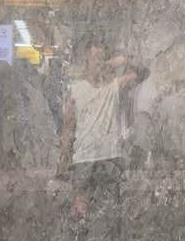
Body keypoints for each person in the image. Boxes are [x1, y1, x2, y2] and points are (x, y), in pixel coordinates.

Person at [59, 34, 148, 218]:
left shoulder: (113, 86)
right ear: (86, 59)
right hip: (83, 161)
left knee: (111, 217)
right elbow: (68, 130)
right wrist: (62, 164)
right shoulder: (75, 90)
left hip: (110, 159)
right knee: (81, 219)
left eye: (102, 58)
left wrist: (116, 61)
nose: (99, 62)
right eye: (95, 58)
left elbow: (143, 71)